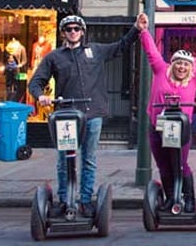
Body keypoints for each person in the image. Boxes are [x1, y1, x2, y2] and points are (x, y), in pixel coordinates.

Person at [28, 14, 143, 218]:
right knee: (64, 160)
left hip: (93, 114)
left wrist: (136, 28)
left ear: (82, 31)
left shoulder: (96, 50)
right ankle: (64, 201)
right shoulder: (54, 57)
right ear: (63, 32)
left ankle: (85, 201)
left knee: (88, 159)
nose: (73, 32)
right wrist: (41, 96)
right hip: (65, 116)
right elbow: (36, 82)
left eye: (76, 29)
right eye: (69, 29)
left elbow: (121, 46)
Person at [137, 13, 196, 213]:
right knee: (163, 165)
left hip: (181, 130)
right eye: (179, 63)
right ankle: (169, 198)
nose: (182, 67)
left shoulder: (194, 79)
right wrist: (144, 30)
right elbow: (151, 51)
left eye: (186, 64)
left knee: (180, 164)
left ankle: (189, 199)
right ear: (172, 64)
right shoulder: (159, 70)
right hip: (158, 128)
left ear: (190, 68)